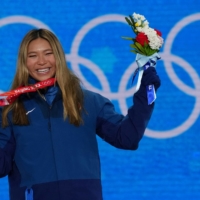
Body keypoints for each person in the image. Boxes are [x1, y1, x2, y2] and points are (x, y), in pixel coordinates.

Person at [0, 29, 161, 200]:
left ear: (59, 57)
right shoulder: (11, 110)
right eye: (32, 56)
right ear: (23, 62)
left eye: (48, 53)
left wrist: (146, 93)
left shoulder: (89, 102)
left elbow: (127, 137)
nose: (41, 62)